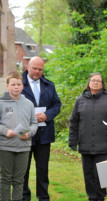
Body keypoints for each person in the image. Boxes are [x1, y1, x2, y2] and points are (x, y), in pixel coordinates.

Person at [69, 72, 107, 201]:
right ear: (89, 83)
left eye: (99, 81)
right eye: (93, 80)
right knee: (88, 174)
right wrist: (72, 141)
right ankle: (91, 197)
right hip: (85, 144)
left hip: (103, 144)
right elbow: (74, 122)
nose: (96, 82)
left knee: (100, 174)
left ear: (102, 84)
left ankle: (101, 197)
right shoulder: (80, 100)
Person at [22, 56, 62, 201]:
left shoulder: (48, 85)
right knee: (23, 170)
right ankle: (23, 197)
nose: (37, 72)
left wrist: (47, 115)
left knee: (42, 170)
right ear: (28, 66)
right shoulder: (18, 84)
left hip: (44, 134)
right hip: (24, 134)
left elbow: (57, 105)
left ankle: (43, 197)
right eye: (34, 68)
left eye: (40, 69)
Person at [0, 72, 38, 201]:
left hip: (24, 147)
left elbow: (34, 123)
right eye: (13, 84)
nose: (16, 87)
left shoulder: (29, 104)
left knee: (19, 180)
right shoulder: (1, 103)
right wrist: (5, 131)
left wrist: (29, 133)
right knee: (5, 179)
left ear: (23, 86)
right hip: (5, 147)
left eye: (18, 84)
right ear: (7, 86)